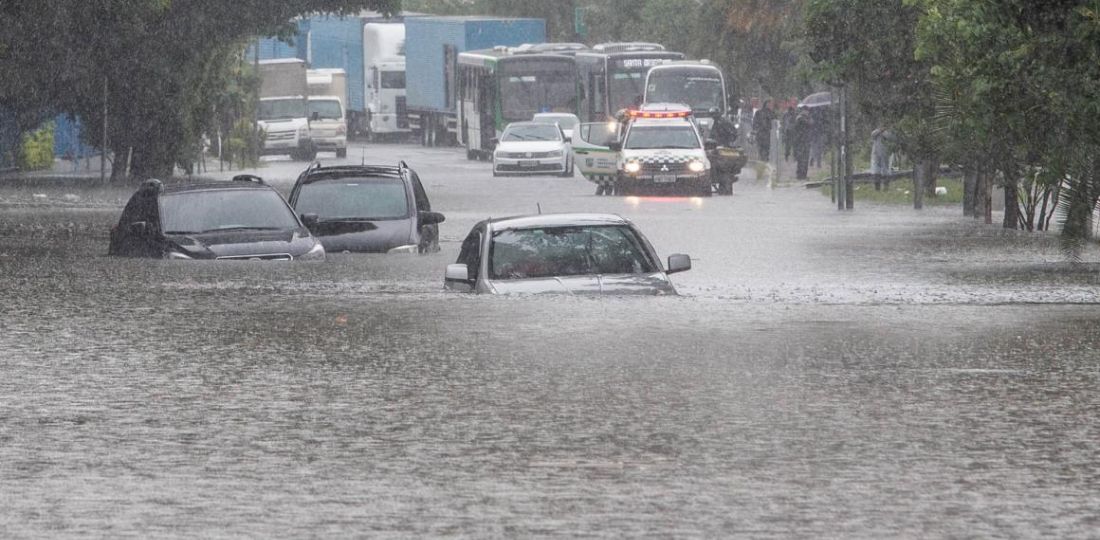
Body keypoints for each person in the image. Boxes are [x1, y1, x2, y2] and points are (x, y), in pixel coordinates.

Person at [792, 106, 813, 180]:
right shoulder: (800, 118)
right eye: (806, 111)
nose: (807, 112)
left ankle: (803, 174)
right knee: (801, 159)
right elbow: (809, 124)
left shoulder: (805, 118)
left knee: (805, 158)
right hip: (801, 141)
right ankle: (800, 174)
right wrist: (809, 119)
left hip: (806, 140)